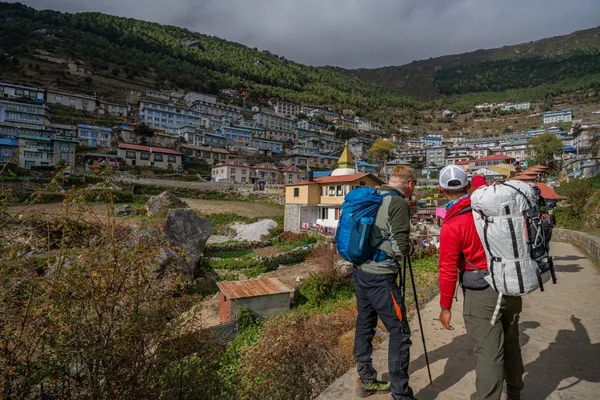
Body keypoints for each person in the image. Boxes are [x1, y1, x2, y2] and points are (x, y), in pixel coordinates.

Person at [437, 165, 524, 400]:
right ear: (468, 187)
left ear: (440, 190)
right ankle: (515, 392)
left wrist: (445, 306)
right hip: (511, 283)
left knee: (489, 353)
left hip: (483, 293)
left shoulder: (453, 224)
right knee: (511, 342)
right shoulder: (491, 210)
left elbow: (447, 269)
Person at [352, 165, 417, 400]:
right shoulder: (397, 203)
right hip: (380, 277)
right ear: (409, 184)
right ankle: (401, 394)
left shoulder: (375, 196)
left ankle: (366, 380)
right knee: (399, 332)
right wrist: (410, 247)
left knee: (365, 324)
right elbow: (401, 247)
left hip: (360, 271)